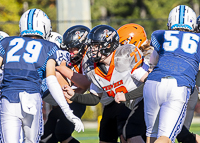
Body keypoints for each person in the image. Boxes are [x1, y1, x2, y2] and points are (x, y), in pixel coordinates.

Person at [0, 9, 84, 143]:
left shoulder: (7, 42)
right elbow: (52, 81)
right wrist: (67, 112)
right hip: (32, 98)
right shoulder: (48, 46)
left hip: (8, 99)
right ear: (45, 26)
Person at [62, 24, 151, 143]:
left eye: (95, 46)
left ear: (108, 45)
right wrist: (74, 95)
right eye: (91, 46)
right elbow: (95, 98)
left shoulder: (123, 58)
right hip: (118, 103)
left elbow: (149, 83)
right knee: (105, 139)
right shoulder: (94, 69)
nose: (91, 50)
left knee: (131, 134)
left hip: (141, 101)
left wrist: (127, 96)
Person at [143, 5, 200, 143]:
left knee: (152, 135)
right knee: (166, 138)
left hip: (152, 83)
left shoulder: (160, 34)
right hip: (178, 85)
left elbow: (153, 61)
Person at [41, 25, 90, 143]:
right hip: (63, 102)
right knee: (45, 138)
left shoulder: (88, 59)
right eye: (69, 48)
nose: (70, 52)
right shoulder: (68, 56)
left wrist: (61, 68)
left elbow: (85, 84)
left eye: (74, 48)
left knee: (62, 133)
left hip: (75, 101)